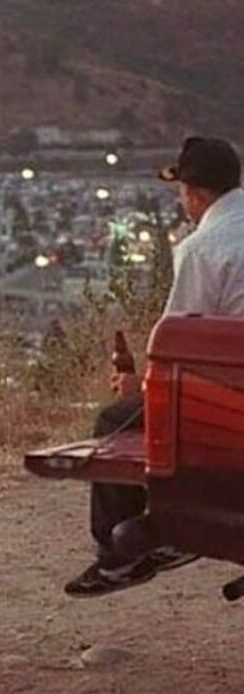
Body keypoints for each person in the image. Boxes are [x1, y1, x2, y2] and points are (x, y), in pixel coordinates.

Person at [67, 136, 244, 596]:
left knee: (116, 419)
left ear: (194, 193)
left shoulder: (203, 248)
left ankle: (121, 554)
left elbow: (176, 348)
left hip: (231, 408)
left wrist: (136, 386)